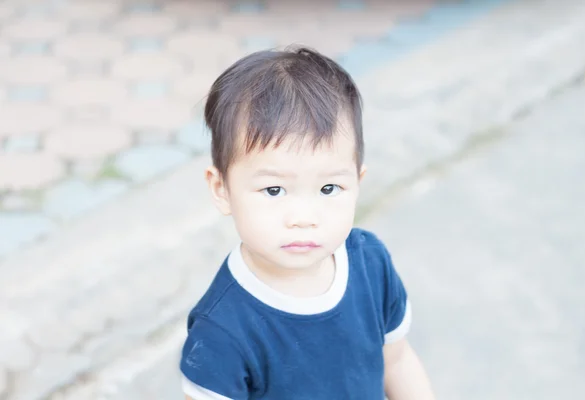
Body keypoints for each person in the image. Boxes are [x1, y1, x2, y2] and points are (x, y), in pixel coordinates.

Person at [180, 46, 436, 400]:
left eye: (329, 188)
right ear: (221, 188)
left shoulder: (371, 264)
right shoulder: (222, 331)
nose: (304, 218)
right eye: (273, 190)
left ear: (358, 182)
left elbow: (396, 361)